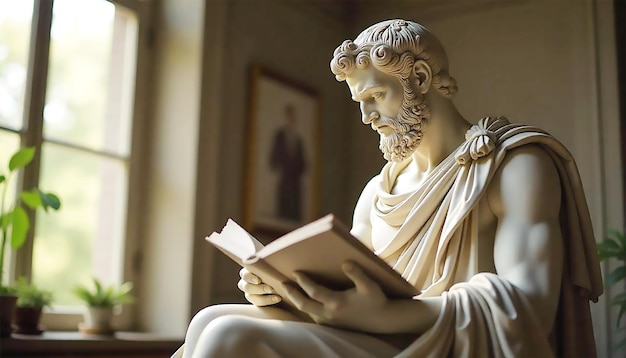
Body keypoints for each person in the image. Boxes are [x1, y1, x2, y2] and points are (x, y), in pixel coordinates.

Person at [174, 19, 603, 357]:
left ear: (418, 78)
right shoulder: (378, 191)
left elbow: (530, 307)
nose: (366, 117)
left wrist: (394, 314)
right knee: (208, 320)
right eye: (359, 103)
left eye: (376, 96)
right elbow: (348, 293)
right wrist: (282, 290)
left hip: (448, 345)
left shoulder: (514, 164)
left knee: (229, 338)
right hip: (383, 338)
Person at [269, 104, 307, 221]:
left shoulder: (298, 139)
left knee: (294, 205)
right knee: (284, 202)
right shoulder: (280, 136)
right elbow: (274, 156)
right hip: (285, 176)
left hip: (295, 179)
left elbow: (303, 161)